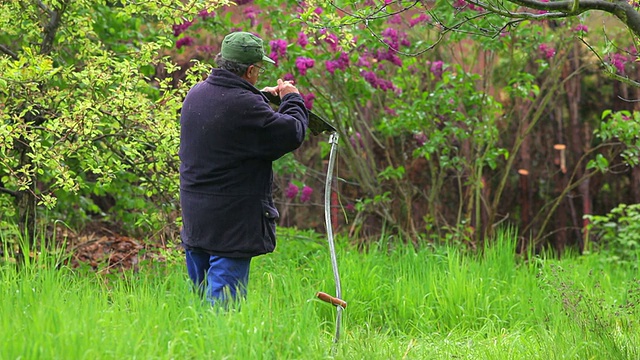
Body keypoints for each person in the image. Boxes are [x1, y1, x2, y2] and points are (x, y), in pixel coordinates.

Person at [178, 31, 309, 306]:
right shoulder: (245, 106)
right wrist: (292, 98)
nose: (259, 74)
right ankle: (220, 350)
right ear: (250, 70)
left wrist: (260, 96)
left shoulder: (197, 94)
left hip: (197, 220)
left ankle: (195, 350)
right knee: (222, 312)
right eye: (259, 69)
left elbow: (229, 112)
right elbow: (292, 132)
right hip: (230, 226)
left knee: (200, 303)